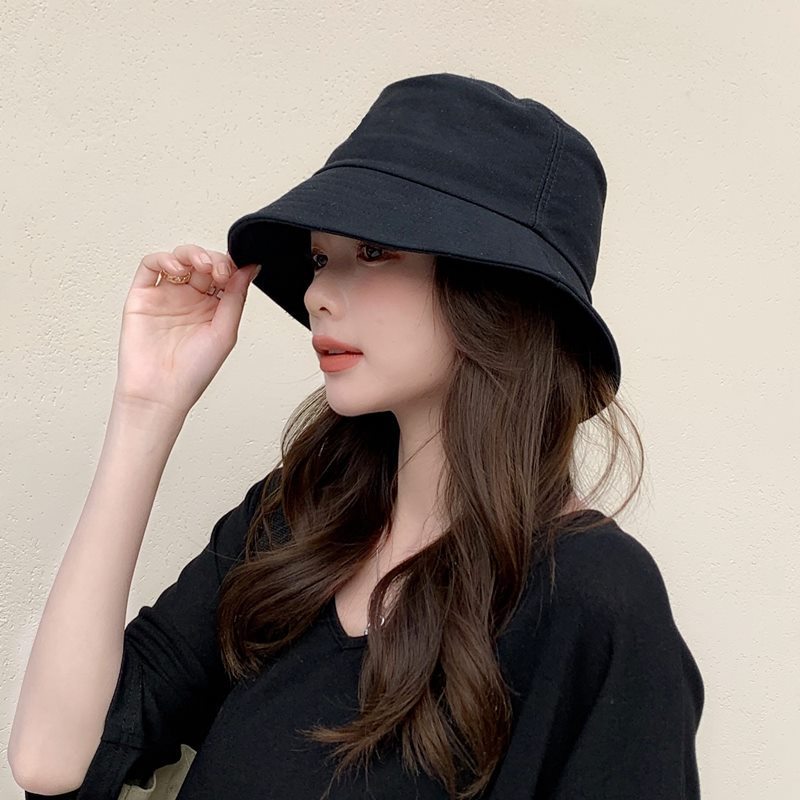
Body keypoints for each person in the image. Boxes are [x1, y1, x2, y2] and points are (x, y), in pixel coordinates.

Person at [10, 73, 704, 799]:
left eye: (372, 253)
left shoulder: (595, 601)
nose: (316, 293)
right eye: (320, 257)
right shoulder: (301, 517)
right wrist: (146, 406)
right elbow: (53, 761)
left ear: (497, 292)